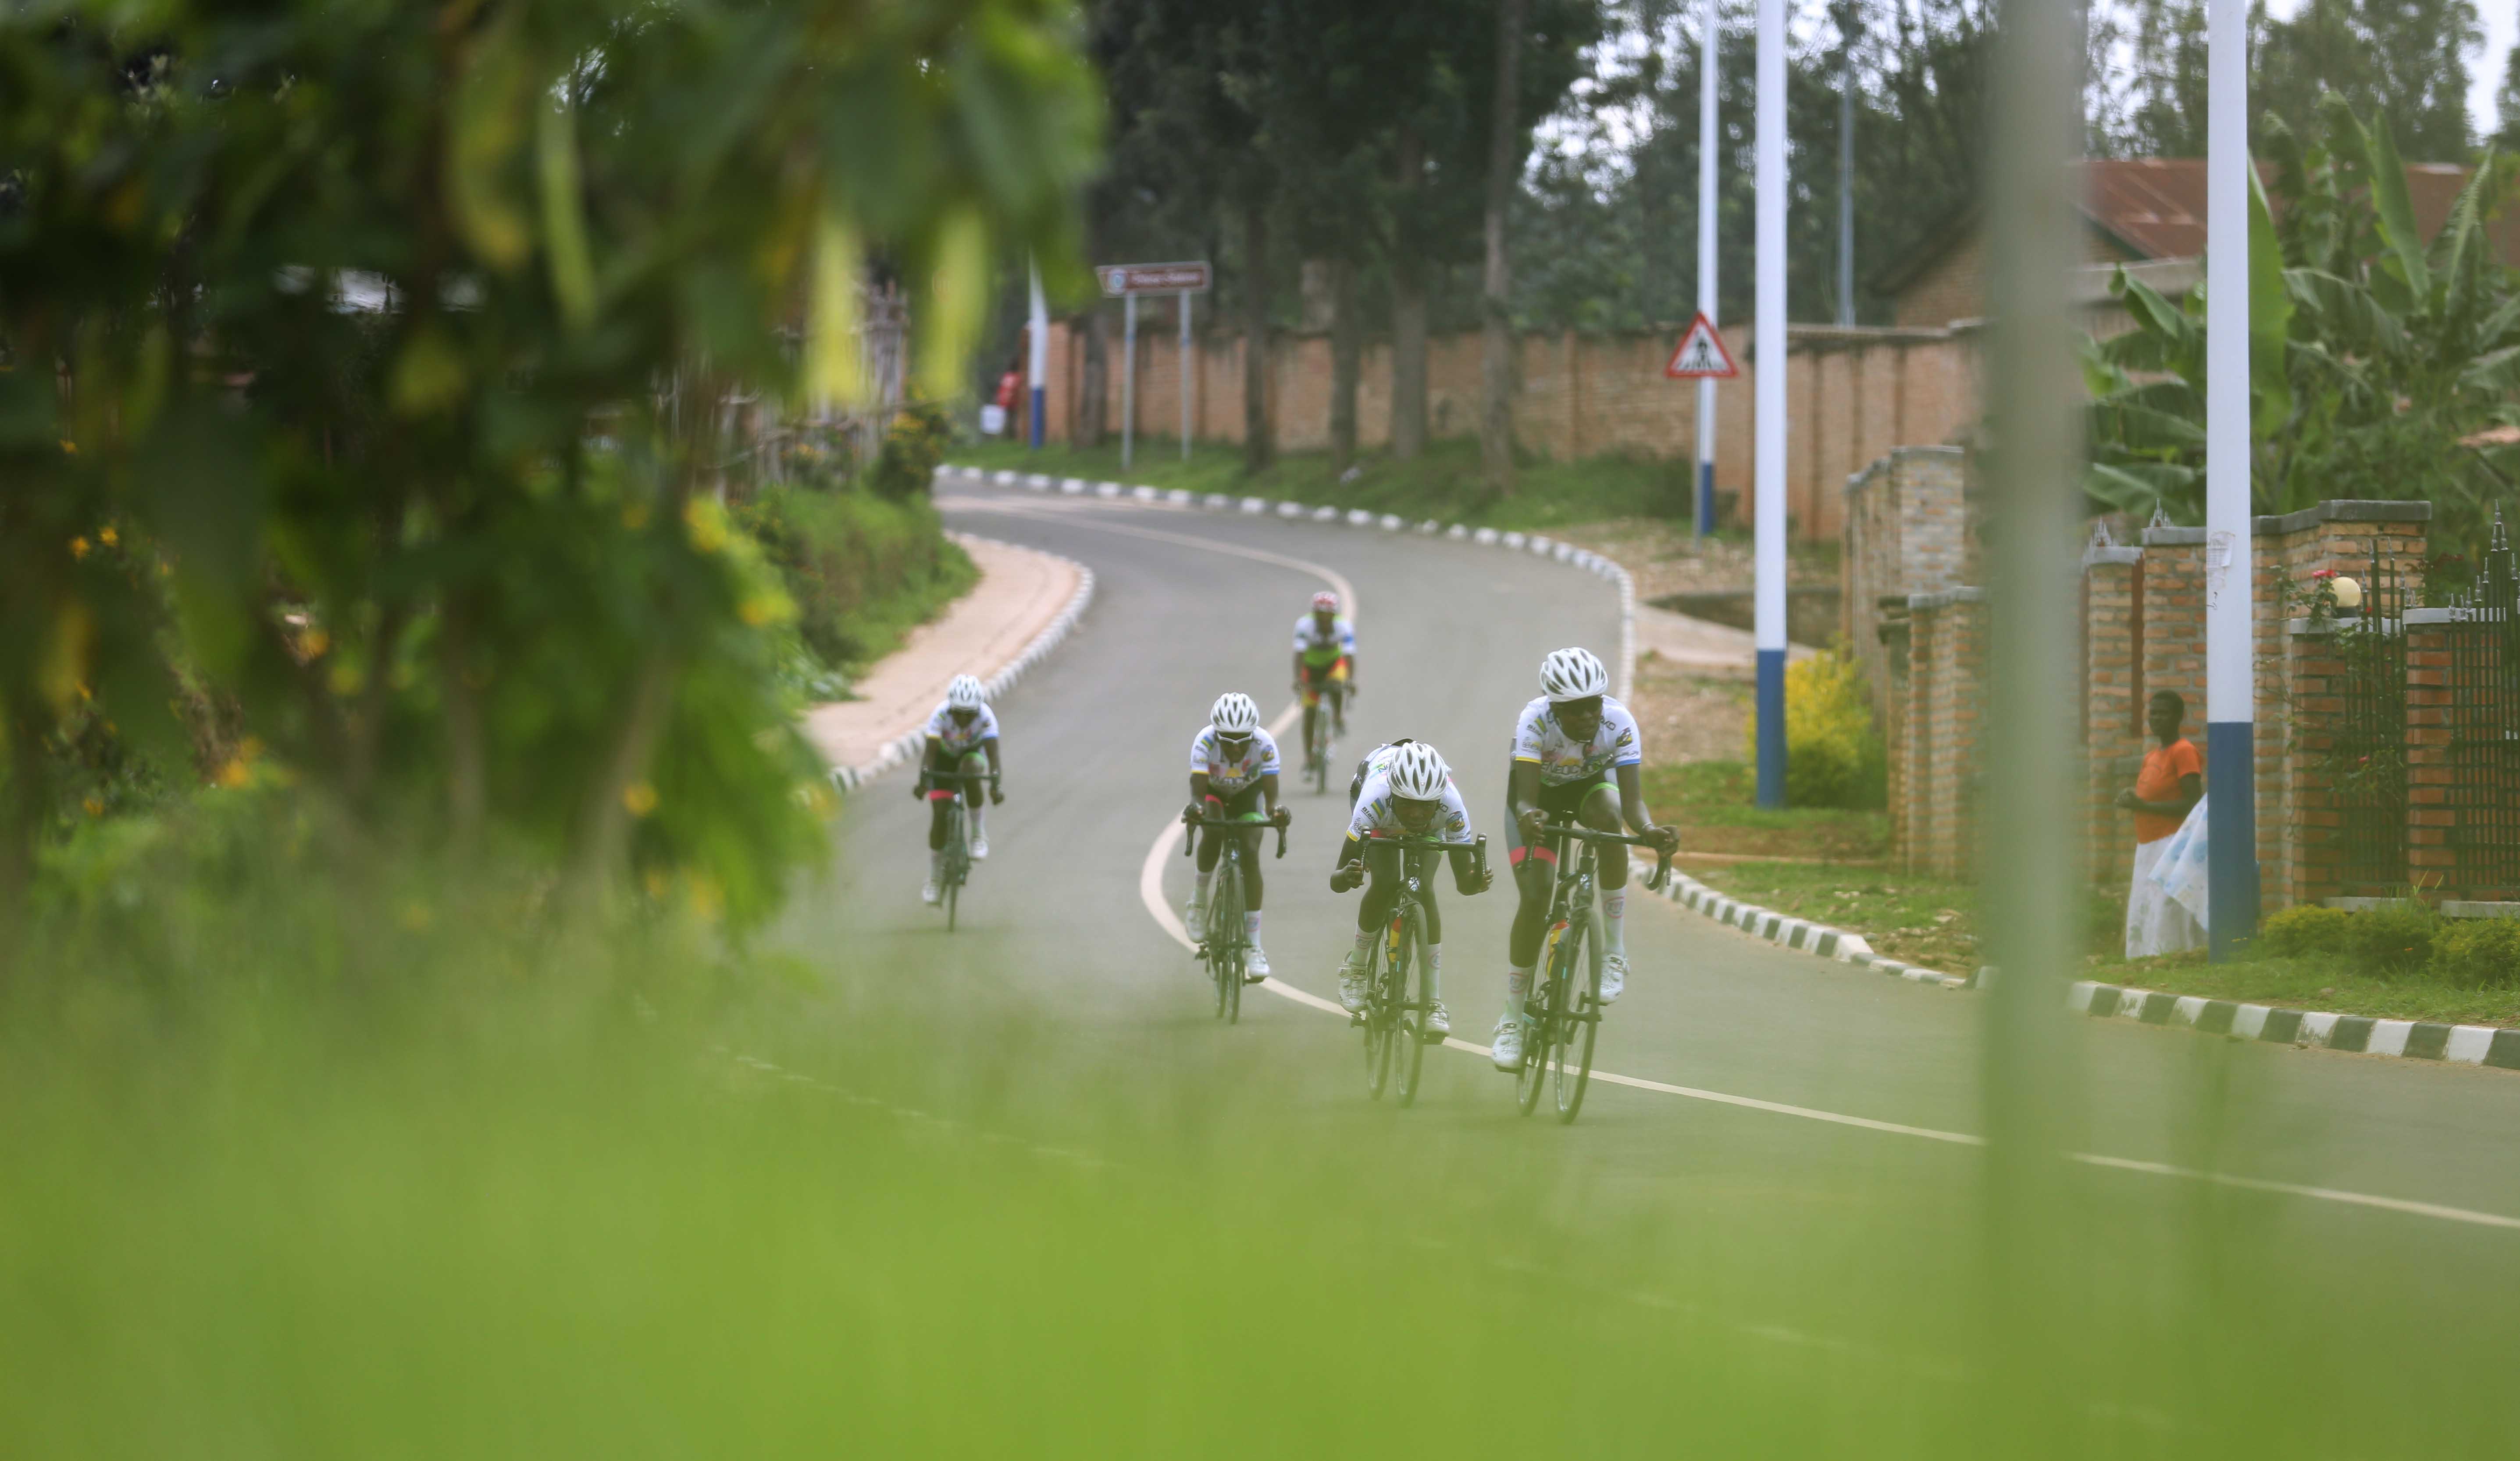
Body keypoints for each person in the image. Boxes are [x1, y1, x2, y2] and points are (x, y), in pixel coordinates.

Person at [1491, 647, 1678, 1072]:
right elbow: (1523, 799)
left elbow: (1633, 805)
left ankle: (1613, 950)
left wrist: (1648, 830)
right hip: (1536, 800)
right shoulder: (1533, 721)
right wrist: (1527, 816)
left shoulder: (1619, 722)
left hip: (1590, 792)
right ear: (1555, 709)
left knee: (1609, 819)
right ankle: (1512, 1018)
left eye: (1593, 705)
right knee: (1537, 898)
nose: (1587, 717)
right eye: (1575, 711)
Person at [1329, 740, 1490, 1037]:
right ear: (1394, 794)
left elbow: (1463, 883)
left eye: (1424, 807)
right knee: (1386, 880)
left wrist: (1476, 880)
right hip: (1382, 822)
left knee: (1424, 889)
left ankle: (1433, 1002)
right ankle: (1356, 967)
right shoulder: (1375, 799)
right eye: (1408, 804)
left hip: (1432, 831)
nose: (1416, 814)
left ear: (1438, 799)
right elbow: (1337, 881)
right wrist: (1349, 874)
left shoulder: (1451, 806)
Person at [1185, 692, 1290, 980]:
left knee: (1250, 853)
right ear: (1216, 734)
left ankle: (1253, 946)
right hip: (1213, 794)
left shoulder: (1265, 745)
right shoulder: (1204, 741)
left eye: (1241, 741)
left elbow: (1270, 799)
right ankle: (1198, 900)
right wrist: (1196, 807)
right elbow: (1198, 790)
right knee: (1214, 830)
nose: (1234, 748)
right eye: (1227, 741)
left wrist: (1276, 812)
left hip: (1248, 796)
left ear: (1252, 736)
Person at [2116, 689, 2206, 957]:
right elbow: (2149, 795)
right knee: (2146, 903)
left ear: (2178, 717)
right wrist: (2131, 799)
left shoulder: (2184, 751)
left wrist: (2144, 807)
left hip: (2171, 843)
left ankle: (2171, 956)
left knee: (2166, 906)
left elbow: (2193, 804)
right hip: (2147, 845)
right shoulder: (2152, 756)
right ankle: (2144, 958)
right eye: (2153, 713)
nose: (2157, 718)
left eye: (2164, 713)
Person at [914, 674, 1005, 904]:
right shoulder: (941, 714)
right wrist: (924, 781)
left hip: (970, 757)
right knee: (939, 818)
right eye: (959, 713)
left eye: (970, 714)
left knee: (972, 770)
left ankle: (977, 835)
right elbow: (930, 754)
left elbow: (993, 756)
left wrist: (995, 785)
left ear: (978, 710)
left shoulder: (986, 717)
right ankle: (934, 879)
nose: (964, 719)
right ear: (951, 708)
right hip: (943, 759)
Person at [1291, 591, 1357, 764]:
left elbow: (1349, 655)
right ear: (1315, 614)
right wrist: (1298, 679)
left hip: (1333, 665)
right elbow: (1299, 654)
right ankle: (1309, 758)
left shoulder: (1344, 627)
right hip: (1311, 668)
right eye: (1320, 615)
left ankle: (1337, 717)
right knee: (1310, 713)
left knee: (1337, 683)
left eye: (1328, 615)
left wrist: (1350, 680)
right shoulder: (1304, 625)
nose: (1324, 619)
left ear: (1334, 615)